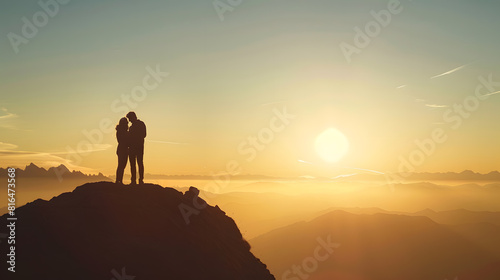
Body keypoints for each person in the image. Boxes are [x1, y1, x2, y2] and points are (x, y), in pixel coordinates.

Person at [126, 111, 147, 185]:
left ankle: (139, 180)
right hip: (135, 147)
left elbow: (144, 134)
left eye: (129, 118)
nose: (129, 120)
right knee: (134, 164)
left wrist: (134, 138)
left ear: (133, 117)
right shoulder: (134, 126)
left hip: (138, 147)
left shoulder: (140, 124)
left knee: (139, 163)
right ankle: (134, 180)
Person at [115, 117, 129, 184]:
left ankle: (119, 180)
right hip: (122, 149)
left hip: (123, 149)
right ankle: (118, 180)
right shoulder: (121, 131)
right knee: (121, 165)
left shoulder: (120, 131)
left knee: (122, 165)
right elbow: (122, 141)